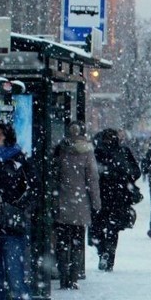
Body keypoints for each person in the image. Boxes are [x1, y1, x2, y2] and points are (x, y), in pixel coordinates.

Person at [0, 119, 45, 300]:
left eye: (1, 134)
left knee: (17, 280)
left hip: (12, 227)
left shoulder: (19, 159)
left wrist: (20, 206)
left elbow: (34, 188)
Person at [53, 122, 101, 289]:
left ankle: (63, 276)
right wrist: (96, 203)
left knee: (62, 242)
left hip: (62, 202)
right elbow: (92, 179)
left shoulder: (61, 150)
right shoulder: (87, 152)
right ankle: (74, 276)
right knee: (77, 241)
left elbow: (54, 174)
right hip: (80, 205)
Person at [92, 128, 141, 272]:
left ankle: (103, 252)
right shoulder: (123, 151)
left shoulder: (98, 152)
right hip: (119, 196)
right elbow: (136, 171)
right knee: (113, 229)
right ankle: (109, 256)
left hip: (101, 195)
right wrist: (126, 178)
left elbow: (91, 173)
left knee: (98, 227)